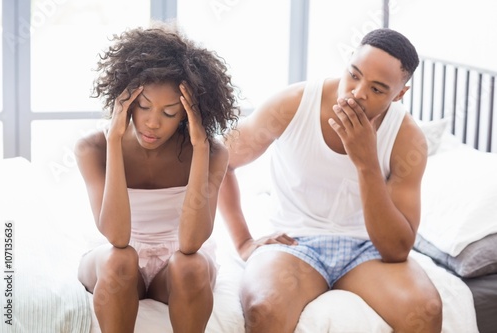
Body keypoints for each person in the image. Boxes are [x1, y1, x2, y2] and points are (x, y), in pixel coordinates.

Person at [218, 28, 443, 333]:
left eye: (377, 89)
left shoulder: (407, 139)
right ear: (348, 61)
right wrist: (244, 242)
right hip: (293, 244)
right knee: (264, 308)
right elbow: (219, 161)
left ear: (400, 94)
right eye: (354, 75)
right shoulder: (293, 104)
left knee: (426, 312)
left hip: (367, 250)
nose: (357, 93)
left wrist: (366, 163)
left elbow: (397, 250)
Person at [75, 22, 239, 333]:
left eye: (169, 113)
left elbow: (191, 243)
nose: (152, 123)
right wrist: (114, 141)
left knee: (190, 266)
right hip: (116, 255)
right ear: (126, 101)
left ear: (190, 114)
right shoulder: (93, 149)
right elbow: (117, 237)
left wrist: (200, 147)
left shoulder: (213, 154)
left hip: (178, 257)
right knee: (119, 260)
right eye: (144, 106)